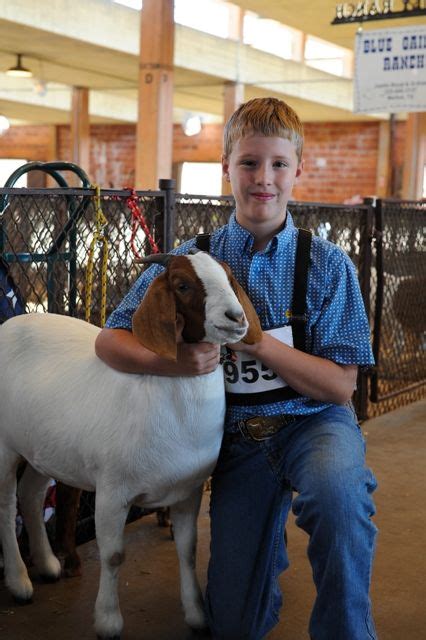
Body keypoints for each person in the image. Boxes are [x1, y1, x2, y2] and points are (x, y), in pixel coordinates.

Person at [95, 97, 378, 640]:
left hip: (311, 423)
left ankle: (347, 631)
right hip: (231, 439)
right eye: (248, 163)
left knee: (339, 499)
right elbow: (110, 341)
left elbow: (341, 387)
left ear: (298, 168)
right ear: (226, 166)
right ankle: (259, 555)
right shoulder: (191, 259)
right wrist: (177, 363)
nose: (263, 180)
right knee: (232, 623)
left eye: (277, 164)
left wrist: (259, 345)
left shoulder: (328, 265)